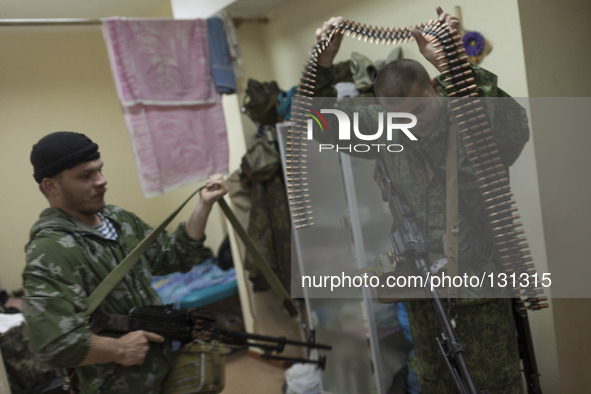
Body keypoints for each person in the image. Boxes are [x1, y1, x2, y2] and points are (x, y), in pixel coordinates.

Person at [312, 7, 529, 393]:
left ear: (434, 87)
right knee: (435, 382)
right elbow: (323, 125)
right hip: (424, 294)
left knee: (495, 385)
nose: (414, 123)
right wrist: (324, 65)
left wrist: (453, 62)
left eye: (419, 110)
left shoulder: (470, 117)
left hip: (480, 294)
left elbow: (514, 126)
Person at [22, 131, 228, 393]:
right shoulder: (50, 249)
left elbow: (173, 255)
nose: (102, 181)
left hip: (160, 371)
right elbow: (51, 344)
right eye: (86, 176)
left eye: (100, 170)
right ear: (51, 186)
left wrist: (204, 205)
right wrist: (119, 349)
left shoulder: (117, 219)